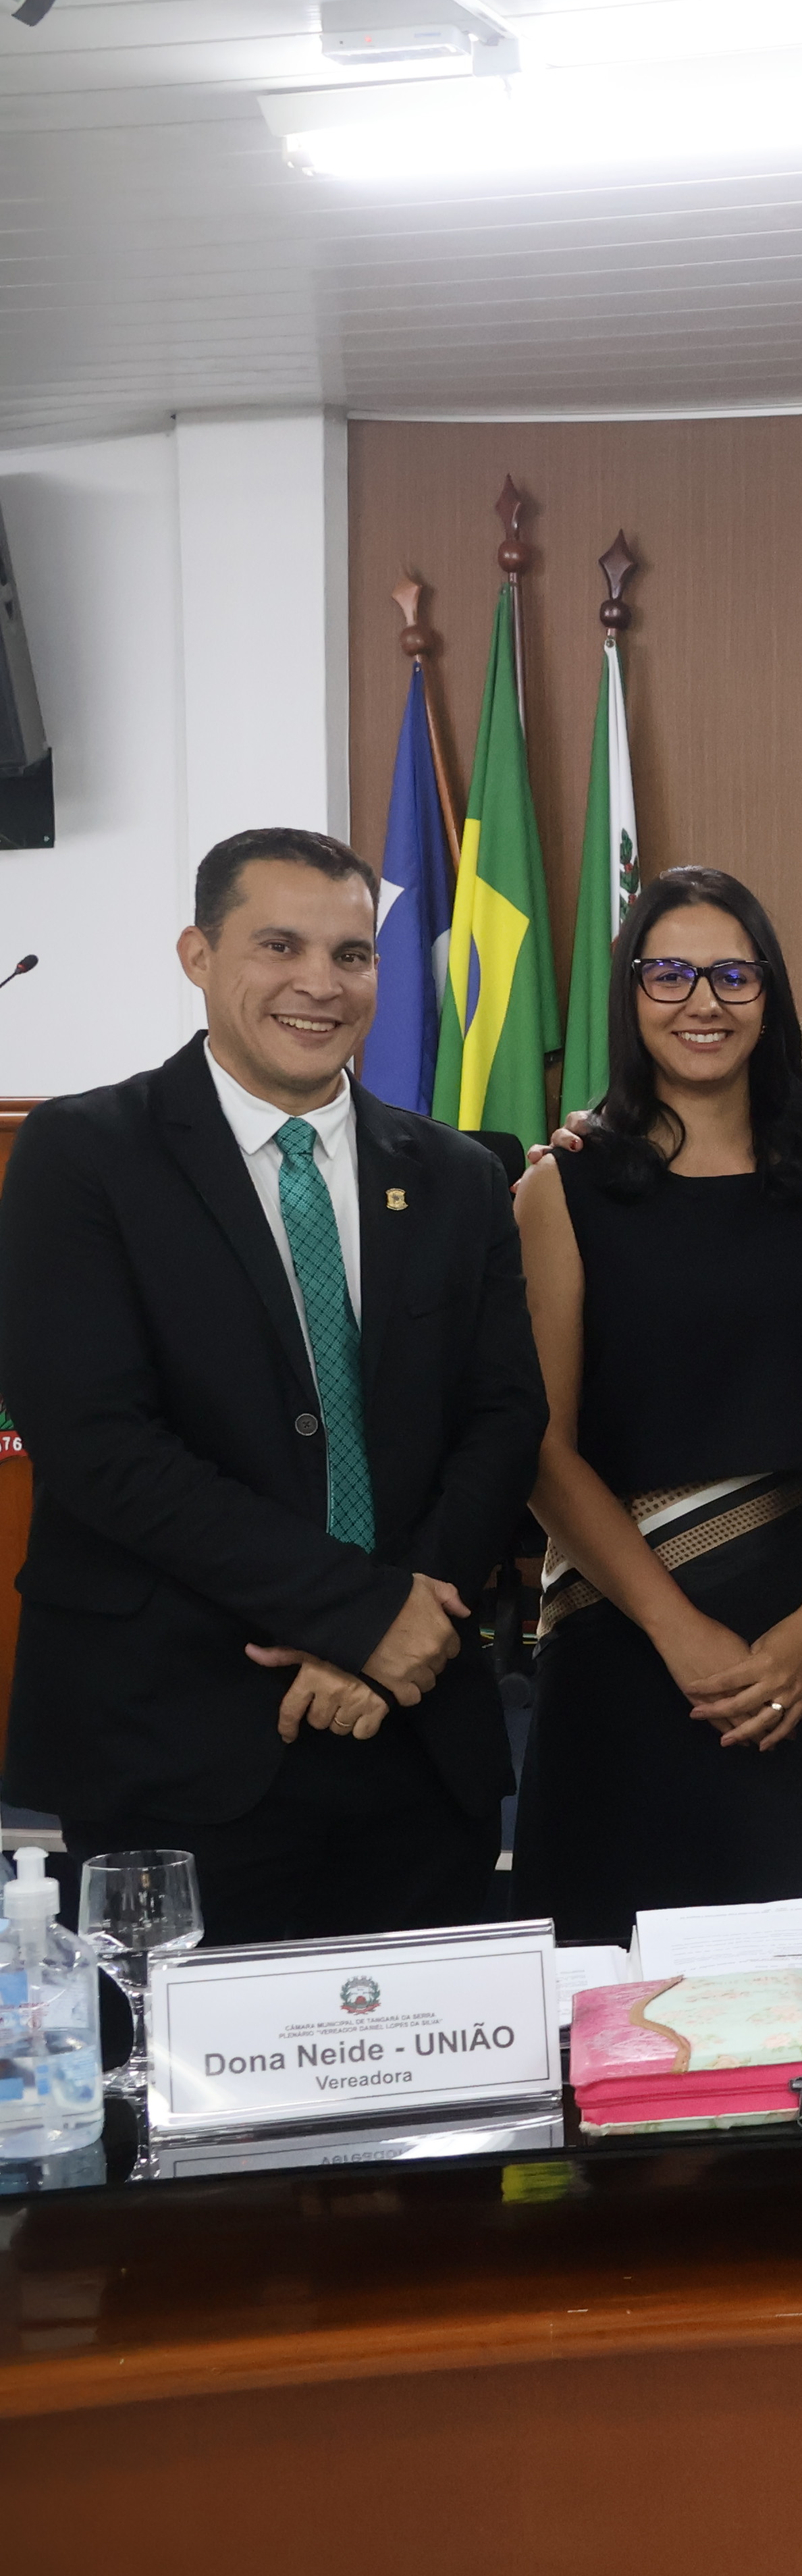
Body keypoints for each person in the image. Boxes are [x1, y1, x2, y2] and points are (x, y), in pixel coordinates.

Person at [0, 829, 543, 1945]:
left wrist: (411, 1622)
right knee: (196, 2109)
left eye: (352, 955)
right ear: (198, 954)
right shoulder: (82, 1157)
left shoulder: (459, 1175)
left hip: (413, 1734)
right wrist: (360, 1613)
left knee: (427, 2099)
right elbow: (99, 1444)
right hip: (174, 1743)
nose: (320, 983)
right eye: (279, 945)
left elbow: (503, 1418)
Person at [510, 868, 802, 1943]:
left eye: (733, 973)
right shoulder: (565, 1186)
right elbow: (540, 1447)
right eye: (668, 973)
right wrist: (679, 1631)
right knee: (622, 2005)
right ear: (631, 996)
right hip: (627, 1641)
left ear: (771, 995)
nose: (702, 1001)